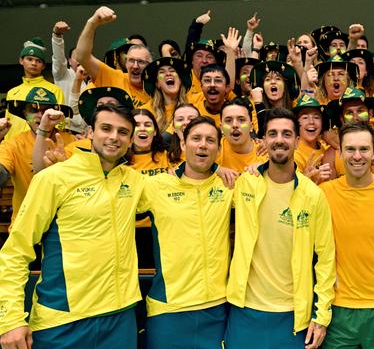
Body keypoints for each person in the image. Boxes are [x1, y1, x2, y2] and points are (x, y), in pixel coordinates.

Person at [0, 98, 143, 348]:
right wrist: (10, 318)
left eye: (123, 132)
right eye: (106, 128)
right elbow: (15, 251)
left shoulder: (134, 181)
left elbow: (185, 185)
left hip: (120, 319)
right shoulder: (53, 179)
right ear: (89, 133)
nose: (114, 137)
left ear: (131, 141)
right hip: (62, 321)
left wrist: (216, 171)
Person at [226, 107, 335, 349]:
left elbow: (326, 259)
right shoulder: (246, 184)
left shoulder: (313, 195)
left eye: (286, 134)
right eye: (272, 133)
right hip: (245, 309)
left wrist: (321, 315)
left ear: (297, 141)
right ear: (263, 140)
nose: (279, 140)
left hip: (293, 315)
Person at [139, 116, 233, 348]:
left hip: (217, 307)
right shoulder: (156, 185)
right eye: (196, 138)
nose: (203, 144)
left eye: (210, 140)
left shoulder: (230, 185)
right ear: (182, 144)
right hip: (169, 308)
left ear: (219, 149)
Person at [320, 122, 374, 349]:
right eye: (350, 149)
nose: (357, 156)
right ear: (339, 151)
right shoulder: (324, 193)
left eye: (364, 149)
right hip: (340, 308)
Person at [0, 87, 76, 230]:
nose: (40, 116)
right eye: (33, 110)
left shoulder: (71, 141)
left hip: (65, 226)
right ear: (24, 113)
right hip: (25, 226)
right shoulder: (13, 144)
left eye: (46, 111)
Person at [75, 6, 152, 107]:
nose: (135, 66)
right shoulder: (115, 78)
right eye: (131, 60)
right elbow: (82, 56)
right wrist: (92, 23)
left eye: (141, 62)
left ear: (150, 66)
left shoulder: (159, 88)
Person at [4, 37, 66, 141]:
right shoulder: (12, 93)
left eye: (38, 61)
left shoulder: (54, 90)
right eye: (29, 59)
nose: (34, 63)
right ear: (21, 61)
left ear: (43, 66)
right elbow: (8, 122)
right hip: (13, 146)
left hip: (41, 145)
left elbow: (60, 124)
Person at [140, 57, 192, 134]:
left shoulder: (194, 103)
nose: (168, 74)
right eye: (162, 72)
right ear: (158, 84)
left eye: (172, 71)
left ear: (180, 81)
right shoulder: (146, 111)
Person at [216, 98, 267, 172]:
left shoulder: (265, 153)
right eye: (228, 120)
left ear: (251, 126)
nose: (235, 125)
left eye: (241, 120)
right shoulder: (213, 150)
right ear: (221, 128)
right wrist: (216, 169)